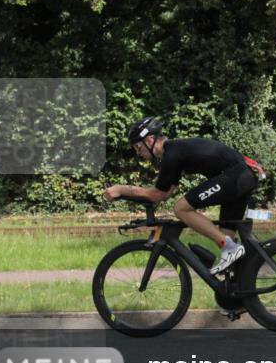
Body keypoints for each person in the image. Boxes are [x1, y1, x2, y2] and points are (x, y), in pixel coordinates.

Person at [103, 116, 257, 274]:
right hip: (239, 176)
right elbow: (165, 194)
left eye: (137, 146)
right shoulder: (175, 151)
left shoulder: (172, 154)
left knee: (181, 209)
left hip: (236, 177)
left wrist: (122, 190)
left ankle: (230, 248)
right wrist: (135, 199)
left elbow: (157, 194)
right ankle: (239, 289)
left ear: (149, 140)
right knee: (226, 242)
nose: (138, 153)